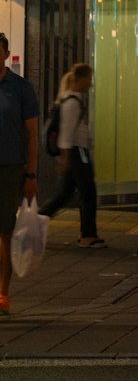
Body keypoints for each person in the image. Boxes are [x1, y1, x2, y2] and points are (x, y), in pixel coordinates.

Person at [39, 63, 103, 249]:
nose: (90, 84)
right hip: (77, 153)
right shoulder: (72, 103)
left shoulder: (70, 100)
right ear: (81, 79)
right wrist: (65, 159)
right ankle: (87, 235)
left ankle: (35, 222)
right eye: (89, 79)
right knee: (87, 192)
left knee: (64, 194)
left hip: (75, 153)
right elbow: (66, 134)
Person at [0, 32, 39, 318]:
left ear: (5, 54)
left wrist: (32, 174)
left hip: (10, 167)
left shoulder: (21, 89)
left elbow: (32, 134)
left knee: (5, 231)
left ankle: (3, 294)